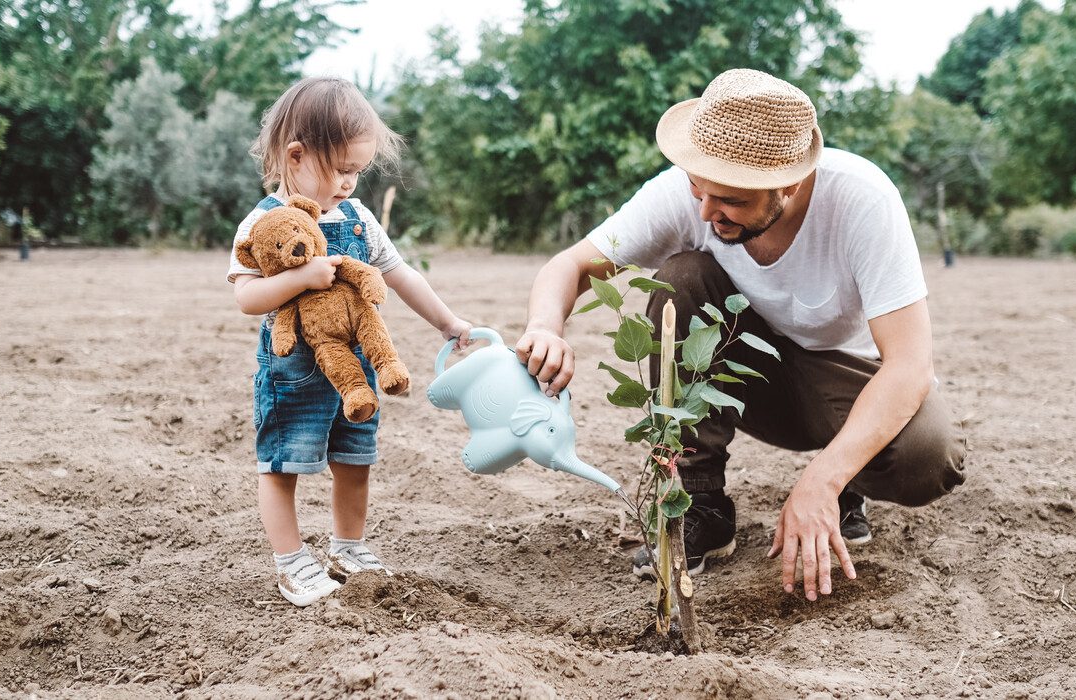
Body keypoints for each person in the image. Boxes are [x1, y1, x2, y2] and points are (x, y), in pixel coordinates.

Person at [516, 69, 966, 601]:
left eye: (730, 201)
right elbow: (568, 266)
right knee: (681, 274)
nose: (707, 212)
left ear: (790, 185)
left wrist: (822, 480)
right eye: (698, 190)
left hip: (843, 384)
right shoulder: (693, 192)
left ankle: (846, 484)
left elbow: (910, 366)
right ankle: (704, 506)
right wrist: (546, 328)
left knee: (929, 458)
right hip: (745, 371)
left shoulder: (863, 201)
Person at [228, 77, 473, 607]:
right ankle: (292, 562)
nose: (349, 183)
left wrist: (447, 322)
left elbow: (399, 273)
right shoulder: (263, 222)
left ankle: (348, 548)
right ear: (296, 156)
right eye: (340, 170)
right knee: (281, 463)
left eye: (357, 171)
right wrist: (301, 278)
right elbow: (248, 297)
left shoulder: (359, 218)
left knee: (355, 457)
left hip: (355, 369)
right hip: (293, 369)